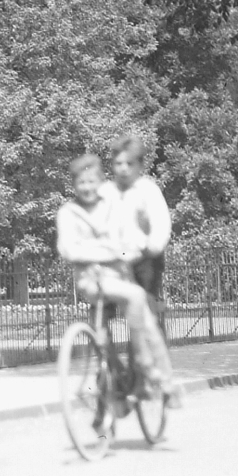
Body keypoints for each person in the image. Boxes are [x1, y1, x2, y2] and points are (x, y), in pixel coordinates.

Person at [56, 152, 175, 396]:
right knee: (133, 298)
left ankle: (152, 377)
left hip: (118, 276)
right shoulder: (68, 212)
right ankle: (138, 363)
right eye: (81, 183)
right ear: (74, 185)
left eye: (92, 182)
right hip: (91, 279)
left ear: (101, 183)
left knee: (145, 320)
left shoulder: (111, 208)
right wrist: (106, 252)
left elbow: (126, 243)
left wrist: (127, 251)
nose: (87, 188)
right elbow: (67, 249)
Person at [110, 135, 171, 318]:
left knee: (144, 310)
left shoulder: (148, 190)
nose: (124, 168)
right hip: (118, 258)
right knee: (101, 303)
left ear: (140, 166)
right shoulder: (108, 192)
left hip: (145, 257)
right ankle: (101, 330)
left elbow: (161, 224)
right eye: (119, 163)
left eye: (129, 164)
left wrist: (152, 246)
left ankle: (150, 327)